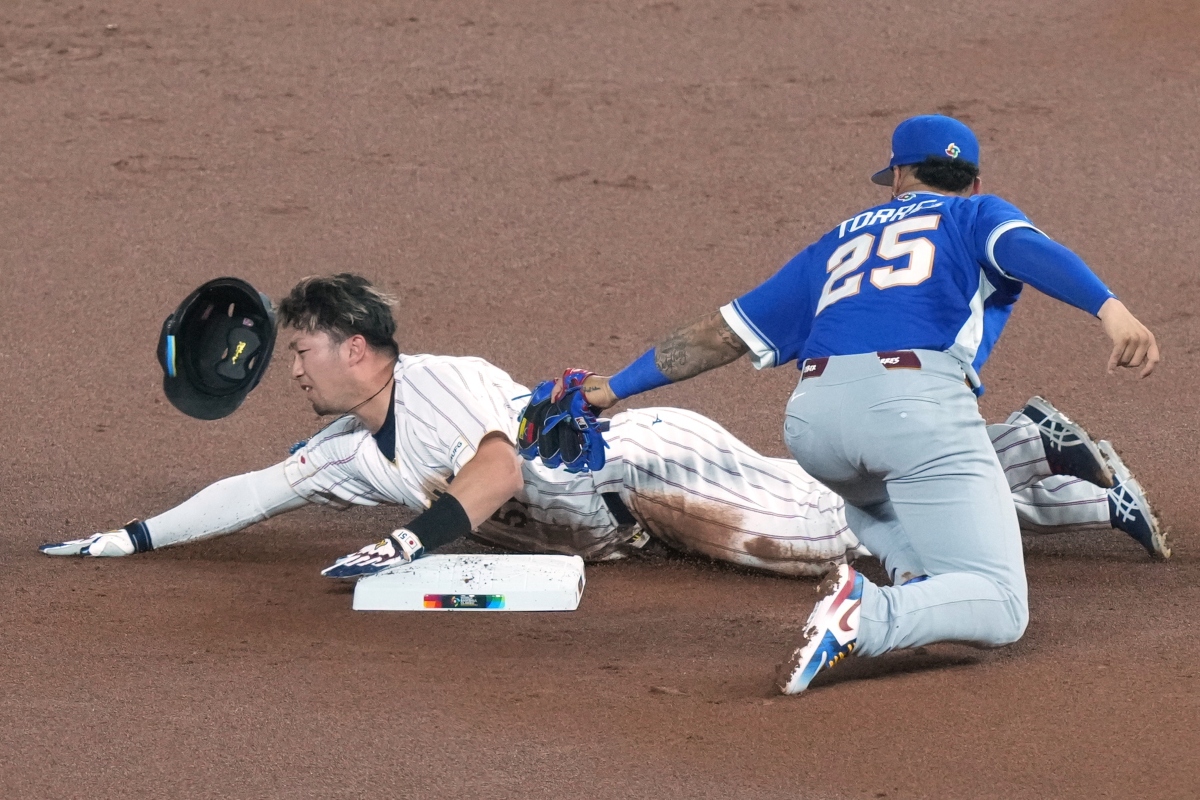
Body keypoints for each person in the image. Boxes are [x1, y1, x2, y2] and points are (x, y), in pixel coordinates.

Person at [543, 115, 1161, 694]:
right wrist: (1110, 309)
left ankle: (919, 584)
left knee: (875, 500)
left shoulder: (836, 244)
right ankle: (870, 615)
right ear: (974, 182)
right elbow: (1027, 250)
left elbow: (719, 335)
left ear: (897, 176)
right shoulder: (974, 215)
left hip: (815, 424)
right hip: (912, 409)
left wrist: (608, 389)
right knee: (1001, 608)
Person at [39, 274, 1161, 584]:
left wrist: (414, 540)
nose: (291, 366)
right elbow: (254, 489)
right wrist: (130, 536)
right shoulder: (346, 447)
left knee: (835, 540)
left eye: (303, 347)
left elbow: (492, 463)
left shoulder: (437, 385)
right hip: (636, 519)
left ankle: (1035, 460)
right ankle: (1047, 459)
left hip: (650, 465)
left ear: (362, 348)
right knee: (853, 523)